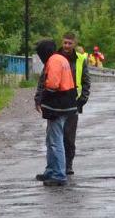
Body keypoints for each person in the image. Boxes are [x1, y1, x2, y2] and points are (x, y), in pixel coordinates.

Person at [32, 39, 77, 186]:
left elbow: (52, 84)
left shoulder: (54, 61)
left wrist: (42, 97)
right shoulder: (61, 59)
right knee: (51, 139)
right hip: (66, 105)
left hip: (58, 107)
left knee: (55, 141)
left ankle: (58, 174)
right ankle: (51, 170)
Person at [58, 31, 92, 175]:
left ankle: (68, 164)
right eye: (65, 42)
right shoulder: (55, 58)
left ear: (74, 44)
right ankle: (56, 164)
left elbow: (86, 82)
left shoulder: (80, 59)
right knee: (55, 136)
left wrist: (82, 100)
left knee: (69, 136)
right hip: (56, 102)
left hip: (73, 103)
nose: (66, 45)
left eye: (69, 43)